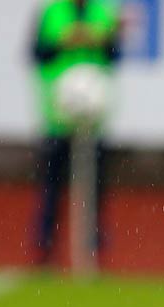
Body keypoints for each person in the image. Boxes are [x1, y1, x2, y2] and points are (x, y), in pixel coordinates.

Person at [29, 0, 122, 267]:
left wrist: (98, 39)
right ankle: (45, 250)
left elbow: (114, 55)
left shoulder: (103, 13)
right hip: (58, 115)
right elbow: (38, 53)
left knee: (94, 188)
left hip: (93, 118)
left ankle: (93, 251)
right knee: (52, 187)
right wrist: (65, 40)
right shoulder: (52, 13)